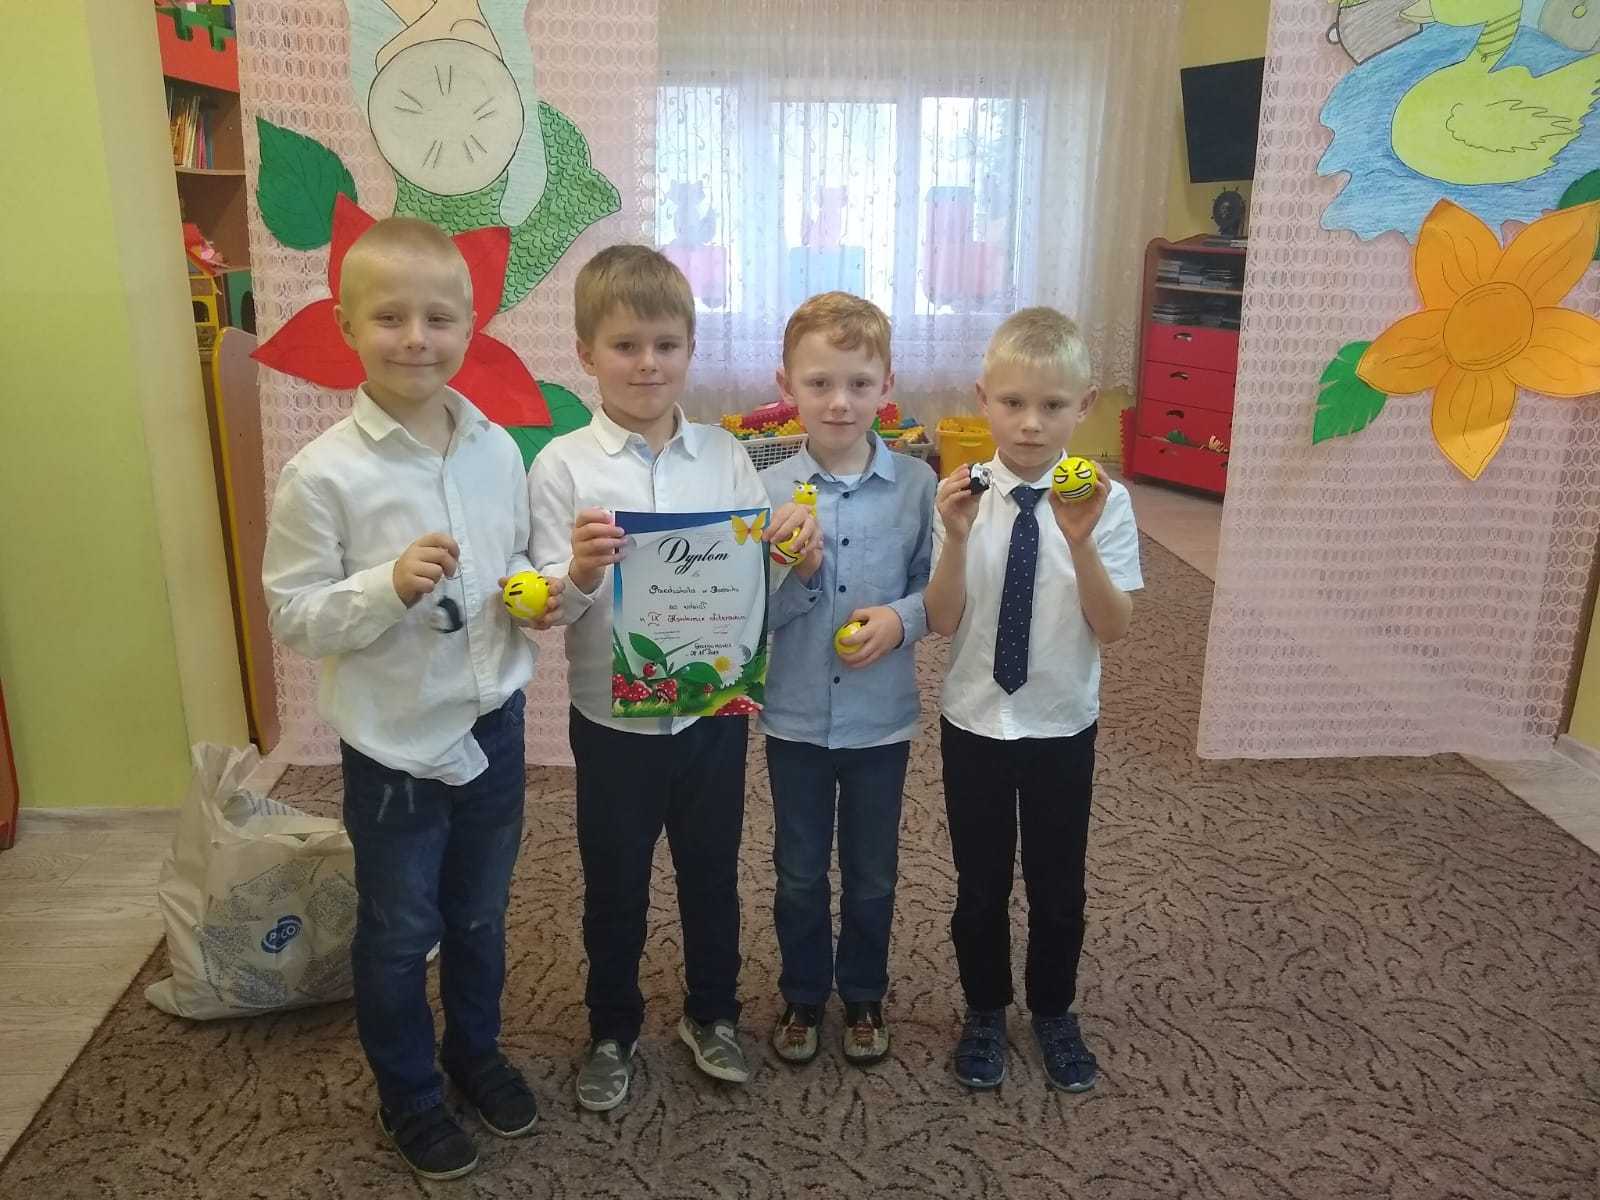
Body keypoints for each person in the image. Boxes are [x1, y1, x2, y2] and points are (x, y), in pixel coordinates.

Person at [262, 217, 562, 1180]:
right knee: (399, 934)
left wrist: (537, 593)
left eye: (438, 318)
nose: (416, 338)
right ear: (345, 326)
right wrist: (384, 585)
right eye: (389, 317)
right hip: (393, 747)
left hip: (493, 724)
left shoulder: (497, 451)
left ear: (470, 326)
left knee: (480, 915)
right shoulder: (322, 475)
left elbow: (517, 564)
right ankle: (410, 1094)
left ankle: (474, 1053)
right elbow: (295, 616)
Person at [526, 245, 817, 1110]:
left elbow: (748, 586)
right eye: (625, 346)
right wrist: (580, 569)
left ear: (690, 349)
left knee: (712, 871)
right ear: (587, 354)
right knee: (614, 881)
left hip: (711, 714)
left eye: (665, 344)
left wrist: (787, 549)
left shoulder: (726, 457)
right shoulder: (562, 466)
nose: (647, 364)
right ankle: (611, 1028)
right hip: (610, 721)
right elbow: (545, 605)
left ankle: (712, 1012)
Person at [923, 306, 1142, 1092]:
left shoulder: (1108, 503)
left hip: (1059, 724)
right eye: (1012, 402)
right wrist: (954, 538)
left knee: (1059, 886)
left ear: (1085, 406)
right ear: (983, 398)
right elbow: (941, 619)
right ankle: (985, 1009)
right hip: (975, 721)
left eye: (1052, 405)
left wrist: (1081, 542)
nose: (1030, 423)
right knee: (979, 886)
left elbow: (1113, 626)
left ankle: (1053, 1008)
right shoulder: (959, 498)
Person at [758, 292, 935, 1067]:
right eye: (820, 382)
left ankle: (863, 991)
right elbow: (749, 619)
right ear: (786, 386)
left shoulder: (918, 487)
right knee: (798, 872)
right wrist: (798, 575)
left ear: (886, 385)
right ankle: (802, 991)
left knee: (872, 874)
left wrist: (901, 619)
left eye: (860, 384)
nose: (839, 402)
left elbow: (939, 592)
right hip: (794, 719)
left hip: (880, 721)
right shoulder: (767, 493)